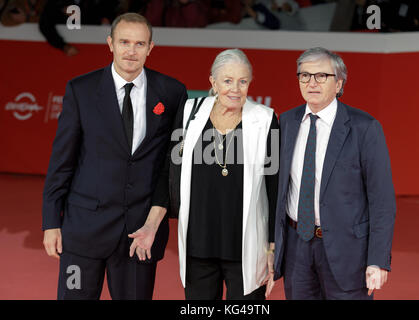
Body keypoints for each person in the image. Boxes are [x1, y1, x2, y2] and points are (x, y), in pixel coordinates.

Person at [42, 12, 187, 300]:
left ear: (150, 48)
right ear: (110, 44)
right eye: (124, 42)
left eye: (139, 44)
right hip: (84, 232)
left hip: (139, 236)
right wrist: (50, 222)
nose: (131, 51)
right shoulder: (81, 90)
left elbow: (172, 165)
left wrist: (155, 221)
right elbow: (62, 161)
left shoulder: (171, 92)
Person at [131, 48, 279, 299]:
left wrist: (273, 248)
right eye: (227, 81)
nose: (235, 89)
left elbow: (274, 187)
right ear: (213, 81)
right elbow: (169, 172)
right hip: (197, 245)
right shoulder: (189, 113)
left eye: (242, 81)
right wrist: (151, 224)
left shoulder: (265, 120)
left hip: (246, 247)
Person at [272, 47, 396, 300]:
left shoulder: (364, 128)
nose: (311, 83)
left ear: (339, 83)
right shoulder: (285, 123)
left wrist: (378, 260)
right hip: (297, 248)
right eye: (304, 75)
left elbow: (382, 201)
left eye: (321, 76)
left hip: (348, 251)